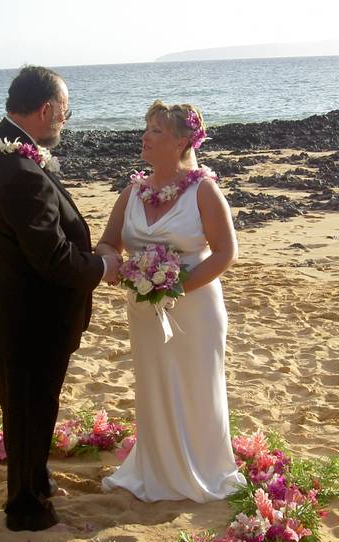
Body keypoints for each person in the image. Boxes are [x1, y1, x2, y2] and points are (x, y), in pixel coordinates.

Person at [0, 65, 121, 531]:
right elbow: (53, 259)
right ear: (47, 109)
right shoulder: (20, 173)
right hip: (30, 322)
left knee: (24, 412)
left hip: (3, 311)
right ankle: (27, 509)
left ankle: (35, 478)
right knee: (32, 412)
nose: (65, 122)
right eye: (65, 113)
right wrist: (102, 266)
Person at [98, 101, 246, 502]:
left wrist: (175, 286)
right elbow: (109, 242)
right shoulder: (132, 190)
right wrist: (116, 267)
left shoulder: (203, 190)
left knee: (196, 386)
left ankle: (204, 468)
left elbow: (225, 253)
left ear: (182, 141)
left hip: (194, 310)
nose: (145, 135)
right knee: (155, 386)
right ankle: (157, 468)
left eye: (157, 130)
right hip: (144, 310)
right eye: (146, 127)